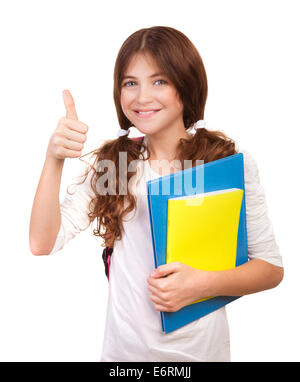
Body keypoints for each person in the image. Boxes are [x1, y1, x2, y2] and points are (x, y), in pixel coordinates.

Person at [29, 26, 284, 362]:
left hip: (200, 356)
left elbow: (269, 268)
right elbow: (42, 242)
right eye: (130, 83)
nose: (141, 97)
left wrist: (202, 285)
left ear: (186, 85)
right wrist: (54, 159)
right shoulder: (116, 165)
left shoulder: (224, 163)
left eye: (159, 81)